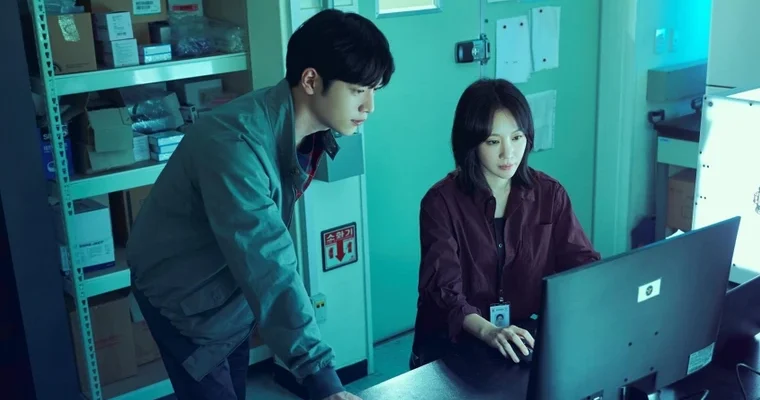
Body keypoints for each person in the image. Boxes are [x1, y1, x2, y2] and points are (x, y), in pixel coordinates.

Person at [126, 9, 394, 400]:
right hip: (181, 294)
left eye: (375, 91)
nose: (370, 106)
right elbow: (269, 262)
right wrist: (323, 380)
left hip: (230, 290)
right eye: (358, 91)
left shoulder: (300, 128)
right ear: (310, 80)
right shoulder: (235, 144)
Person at [409, 78, 600, 369]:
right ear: (470, 143)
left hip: (520, 338)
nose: (508, 153)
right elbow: (443, 290)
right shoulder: (440, 203)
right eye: (493, 141)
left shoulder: (549, 194)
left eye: (517, 137)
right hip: (454, 346)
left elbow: (582, 264)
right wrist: (489, 331)